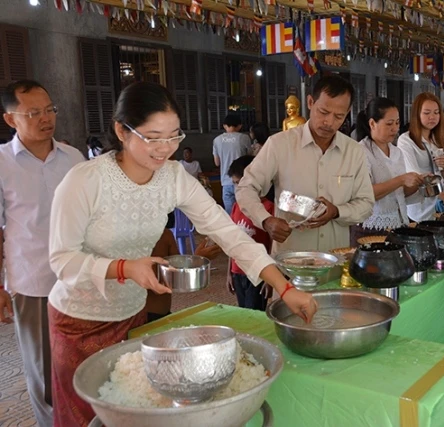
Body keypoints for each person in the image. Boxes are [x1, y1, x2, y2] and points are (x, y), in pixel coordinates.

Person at [46, 82, 317, 426]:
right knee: (83, 420)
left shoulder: (173, 177)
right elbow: (61, 260)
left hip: (131, 316)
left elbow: (227, 232)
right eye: (153, 137)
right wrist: (125, 268)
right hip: (78, 321)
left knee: (130, 412)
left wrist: (285, 287)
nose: (166, 149)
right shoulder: (84, 181)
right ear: (121, 130)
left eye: (174, 136)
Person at [0, 80, 85, 427]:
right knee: (43, 367)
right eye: (33, 112)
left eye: (49, 109)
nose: (46, 118)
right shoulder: (3, 163)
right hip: (33, 281)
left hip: (79, 278)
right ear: (10, 119)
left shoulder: (73, 158)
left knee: (80, 360)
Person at [236, 75, 374, 254]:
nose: (329, 122)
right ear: (310, 102)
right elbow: (246, 187)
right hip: (290, 262)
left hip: (334, 262)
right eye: (323, 112)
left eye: (339, 116)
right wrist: (266, 220)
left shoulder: (353, 152)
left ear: (347, 113)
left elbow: (366, 204)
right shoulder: (280, 144)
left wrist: (337, 211)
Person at [350, 98, 423, 245]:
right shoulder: (360, 151)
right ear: (372, 123)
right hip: (370, 229)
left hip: (398, 223)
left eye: (397, 123)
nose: (395, 129)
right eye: (389, 124)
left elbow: (399, 193)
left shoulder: (397, 152)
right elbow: (365, 193)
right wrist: (401, 180)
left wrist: (418, 183)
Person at [145, 217, 222, 323]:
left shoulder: (165, 235)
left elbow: (177, 276)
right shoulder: (160, 236)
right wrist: (196, 259)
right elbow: (156, 285)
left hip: (162, 313)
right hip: (144, 316)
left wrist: (196, 259)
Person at [397, 92, 444, 222]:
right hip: (419, 207)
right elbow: (415, 176)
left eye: (436, 113)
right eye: (427, 113)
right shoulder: (406, 140)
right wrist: (443, 195)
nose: (432, 117)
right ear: (417, 114)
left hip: (439, 206)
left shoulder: (439, 139)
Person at [227, 155, 272, 310]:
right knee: (242, 313)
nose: (239, 189)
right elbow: (232, 242)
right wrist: (230, 272)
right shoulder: (236, 206)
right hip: (237, 271)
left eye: (241, 183)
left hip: (259, 273)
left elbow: (273, 246)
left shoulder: (268, 209)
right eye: (235, 184)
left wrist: (270, 278)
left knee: (254, 314)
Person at [213, 114, 252, 214]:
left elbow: (217, 163)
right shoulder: (244, 138)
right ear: (239, 126)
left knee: (231, 216)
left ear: (224, 125)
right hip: (241, 181)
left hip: (225, 182)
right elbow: (250, 158)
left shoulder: (217, 140)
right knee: (244, 214)